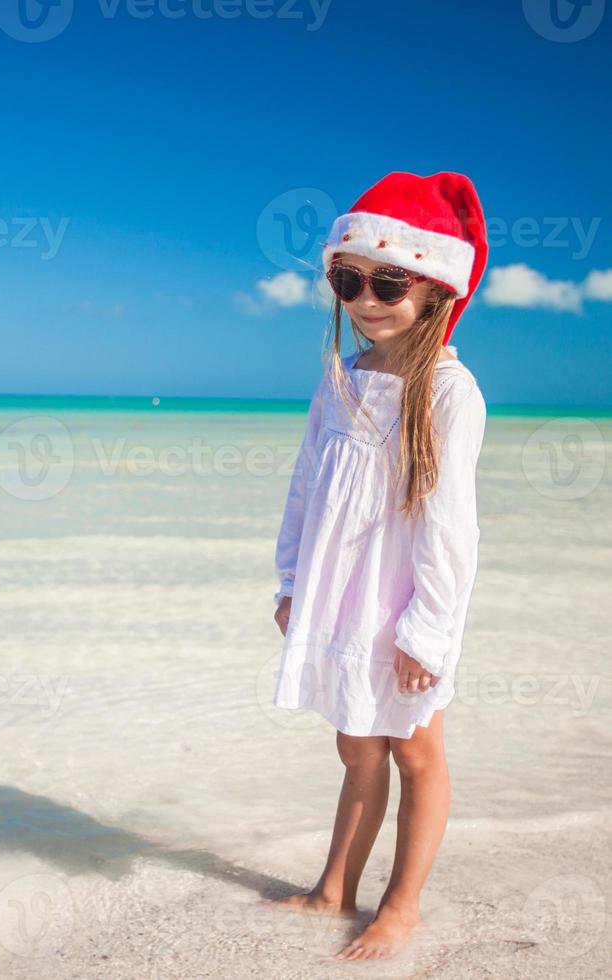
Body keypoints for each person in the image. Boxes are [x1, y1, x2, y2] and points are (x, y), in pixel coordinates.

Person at [268, 171, 490, 960]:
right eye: (348, 278)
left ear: (434, 290)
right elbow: (305, 486)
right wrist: (293, 582)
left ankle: (402, 906)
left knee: (414, 749)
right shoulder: (341, 380)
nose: (367, 296)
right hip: (339, 599)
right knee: (356, 743)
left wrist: (427, 633)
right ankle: (335, 888)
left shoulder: (450, 393)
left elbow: (450, 528)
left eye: (390, 281)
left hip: (404, 608)